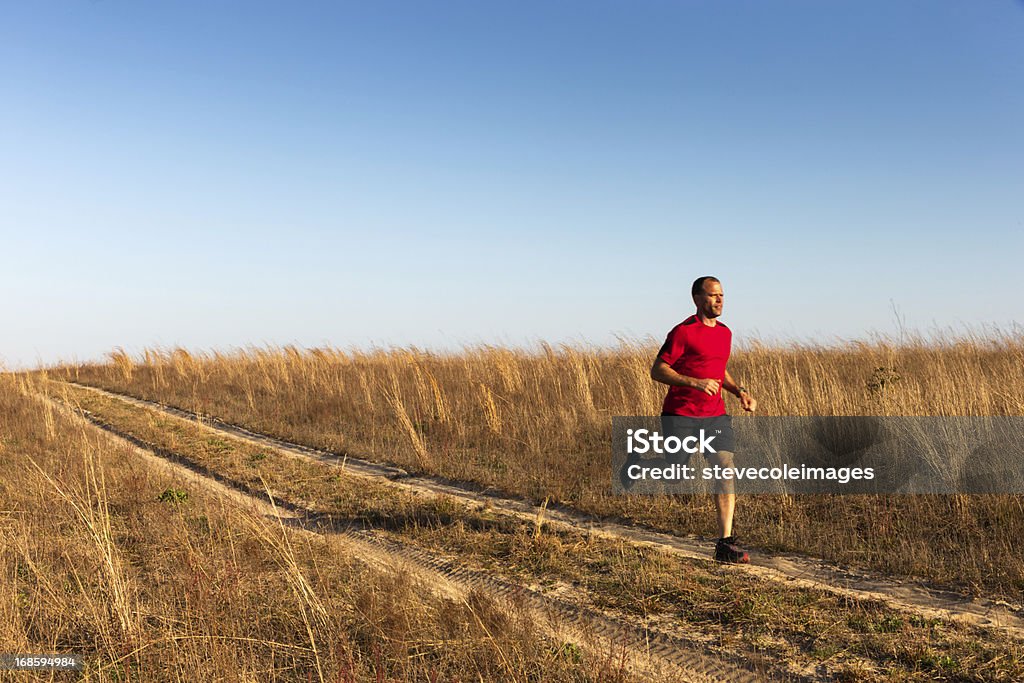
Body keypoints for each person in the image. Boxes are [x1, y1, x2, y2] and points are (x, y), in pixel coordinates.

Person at [650, 276, 757, 563]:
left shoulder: (725, 333)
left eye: (722, 295)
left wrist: (740, 392)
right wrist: (694, 383)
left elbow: (720, 371)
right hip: (680, 414)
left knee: (725, 466)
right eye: (713, 295)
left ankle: (724, 543)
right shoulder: (683, 332)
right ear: (698, 299)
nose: (720, 300)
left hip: (714, 416)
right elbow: (658, 371)